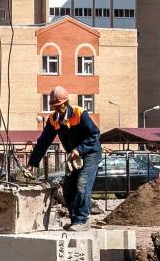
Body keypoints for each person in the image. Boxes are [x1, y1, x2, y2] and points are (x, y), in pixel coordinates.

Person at [27, 86, 103, 229]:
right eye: (54, 106)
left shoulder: (79, 113)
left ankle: (82, 221)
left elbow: (95, 134)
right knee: (68, 188)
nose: (57, 109)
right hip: (75, 155)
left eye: (59, 106)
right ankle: (75, 220)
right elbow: (43, 141)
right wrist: (32, 162)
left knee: (82, 184)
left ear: (65, 103)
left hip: (91, 153)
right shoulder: (53, 119)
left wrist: (79, 149)